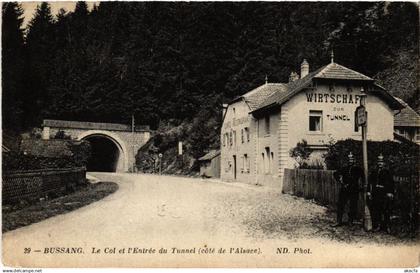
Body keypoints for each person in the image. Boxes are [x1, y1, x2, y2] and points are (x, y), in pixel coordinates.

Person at [331, 152, 364, 227]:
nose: (350, 161)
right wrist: (339, 179)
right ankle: (338, 221)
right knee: (340, 204)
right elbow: (335, 173)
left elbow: (363, 178)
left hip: (354, 190)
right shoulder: (344, 168)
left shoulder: (358, 169)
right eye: (349, 159)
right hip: (345, 189)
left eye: (352, 159)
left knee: (353, 206)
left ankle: (350, 221)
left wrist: (361, 187)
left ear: (354, 160)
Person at [367, 154, 395, 232]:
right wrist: (368, 191)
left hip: (384, 193)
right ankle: (378, 226)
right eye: (379, 161)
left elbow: (391, 183)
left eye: (381, 162)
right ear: (377, 162)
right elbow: (370, 182)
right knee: (376, 210)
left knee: (386, 210)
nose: (380, 163)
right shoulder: (374, 171)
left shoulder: (387, 172)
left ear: (384, 163)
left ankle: (387, 227)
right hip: (376, 193)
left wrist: (390, 192)